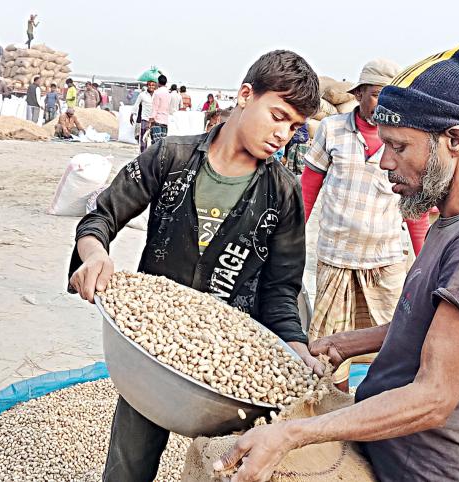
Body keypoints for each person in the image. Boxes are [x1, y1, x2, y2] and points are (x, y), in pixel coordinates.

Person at [214, 42, 459, 482]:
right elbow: (432, 327)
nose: (384, 161)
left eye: (398, 146)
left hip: (425, 470)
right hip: (389, 452)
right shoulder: (453, 214)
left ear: (454, 141)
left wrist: (295, 434)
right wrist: (350, 342)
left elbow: (433, 398)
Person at [67, 49, 323, 482]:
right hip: (152, 349)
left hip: (233, 362)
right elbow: (101, 216)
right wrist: (95, 254)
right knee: (129, 465)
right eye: (278, 116)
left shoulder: (282, 192)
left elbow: (281, 289)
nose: (283, 134)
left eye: (295, 127)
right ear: (246, 95)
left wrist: (295, 349)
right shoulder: (171, 157)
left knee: (226, 468)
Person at [301, 58, 429, 340]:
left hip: (385, 260)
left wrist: (425, 259)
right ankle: (334, 387)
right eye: (376, 94)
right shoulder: (332, 129)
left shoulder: (404, 140)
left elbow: (414, 209)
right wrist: (290, 240)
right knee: (328, 345)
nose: (384, 104)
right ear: (358, 94)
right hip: (336, 257)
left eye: (390, 97)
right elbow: (308, 190)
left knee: (391, 341)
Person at [130, 80, 156, 152]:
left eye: (153, 85)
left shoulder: (157, 95)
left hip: (154, 120)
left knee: (154, 138)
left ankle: (152, 155)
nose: (151, 86)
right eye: (150, 85)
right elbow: (136, 105)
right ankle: (143, 154)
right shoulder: (142, 95)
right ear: (147, 86)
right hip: (145, 119)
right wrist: (132, 114)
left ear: (155, 86)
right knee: (143, 139)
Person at [148, 74, 171, 143]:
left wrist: (150, 121)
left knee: (156, 144)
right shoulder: (168, 94)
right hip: (165, 121)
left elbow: (155, 108)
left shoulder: (157, 93)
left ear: (158, 82)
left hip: (157, 121)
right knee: (162, 144)